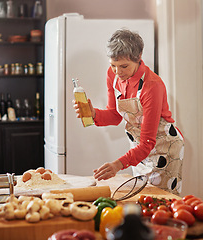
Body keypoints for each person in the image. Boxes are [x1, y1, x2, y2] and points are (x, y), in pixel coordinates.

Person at [73, 29, 184, 195]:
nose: (118, 72)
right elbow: (115, 115)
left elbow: (148, 142)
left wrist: (117, 165)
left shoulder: (152, 86)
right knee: (140, 196)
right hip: (139, 149)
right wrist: (93, 113)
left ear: (138, 58)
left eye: (124, 66)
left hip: (164, 149)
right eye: (113, 65)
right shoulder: (113, 75)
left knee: (160, 202)